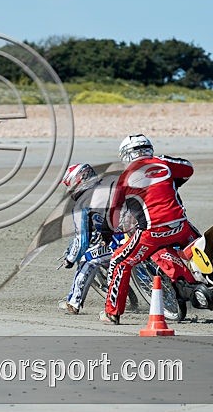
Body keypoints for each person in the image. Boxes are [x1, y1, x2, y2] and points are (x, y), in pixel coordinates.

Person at [101, 134, 198, 324]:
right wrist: (173, 183)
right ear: (149, 148)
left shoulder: (124, 178)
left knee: (119, 261)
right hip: (181, 225)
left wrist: (106, 234)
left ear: (126, 155)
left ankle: (112, 313)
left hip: (153, 233)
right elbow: (188, 169)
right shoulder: (163, 161)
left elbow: (113, 212)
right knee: (202, 246)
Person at [58, 163, 114, 315]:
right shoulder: (109, 182)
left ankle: (72, 303)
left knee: (87, 260)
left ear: (78, 179)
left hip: (118, 240)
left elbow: (81, 241)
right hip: (142, 228)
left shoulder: (81, 204)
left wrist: (70, 260)